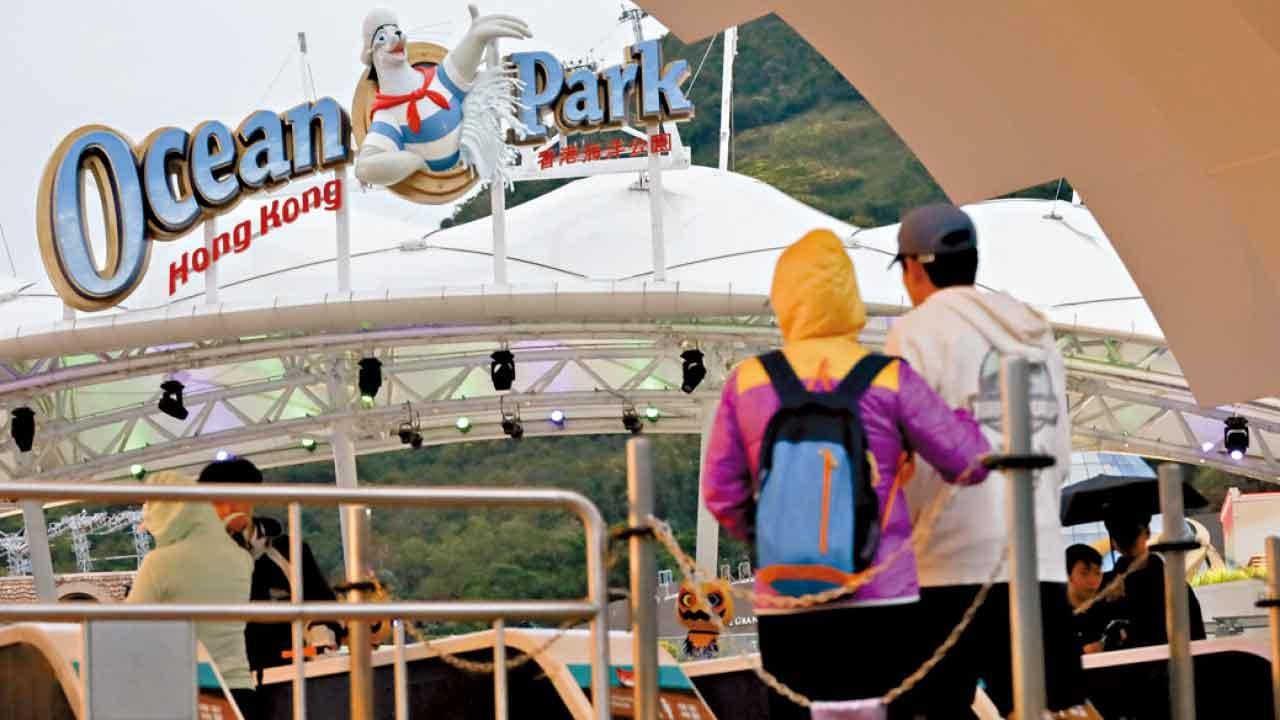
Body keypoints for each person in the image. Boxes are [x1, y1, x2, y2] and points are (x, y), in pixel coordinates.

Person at [703, 229, 992, 719]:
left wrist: (775, 537)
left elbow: (720, 492)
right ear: (849, 297)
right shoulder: (888, 376)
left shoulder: (748, 380)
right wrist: (963, 415)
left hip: (786, 602)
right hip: (882, 598)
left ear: (785, 298)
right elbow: (968, 462)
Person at [883, 203, 1088, 717]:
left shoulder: (915, 332)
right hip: (1038, 556)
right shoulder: (1035, 334)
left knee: (931, 712)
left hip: (948, 563)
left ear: (915, 268)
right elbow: (1060, 454)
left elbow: (899, 453)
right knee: (1046, 708)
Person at [126, 471, 257, 718]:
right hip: (239, 689)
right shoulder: (242, 559)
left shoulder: (159, 563)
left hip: (188, 690)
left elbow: (127, 629)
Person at [198, 457, 343, 678]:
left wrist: (322, 639)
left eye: (236, 498)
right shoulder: (195, 558)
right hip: (223, 681)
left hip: (289, 676)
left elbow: (324, 608)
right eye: (217, 502)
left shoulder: (290, 550)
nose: (228, 509)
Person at [1100, 503, 1206, 649]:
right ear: (1147, 532)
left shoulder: (1103, 591)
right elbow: (1197, 643)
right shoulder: (1176, 586)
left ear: (1113, 542)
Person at [1065, 544, 1107, 653]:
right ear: (1068, 575)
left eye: (1097, 573)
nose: (1092, 580)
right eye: (1084, 573)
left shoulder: (1103, 611)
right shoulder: (1052, 614)